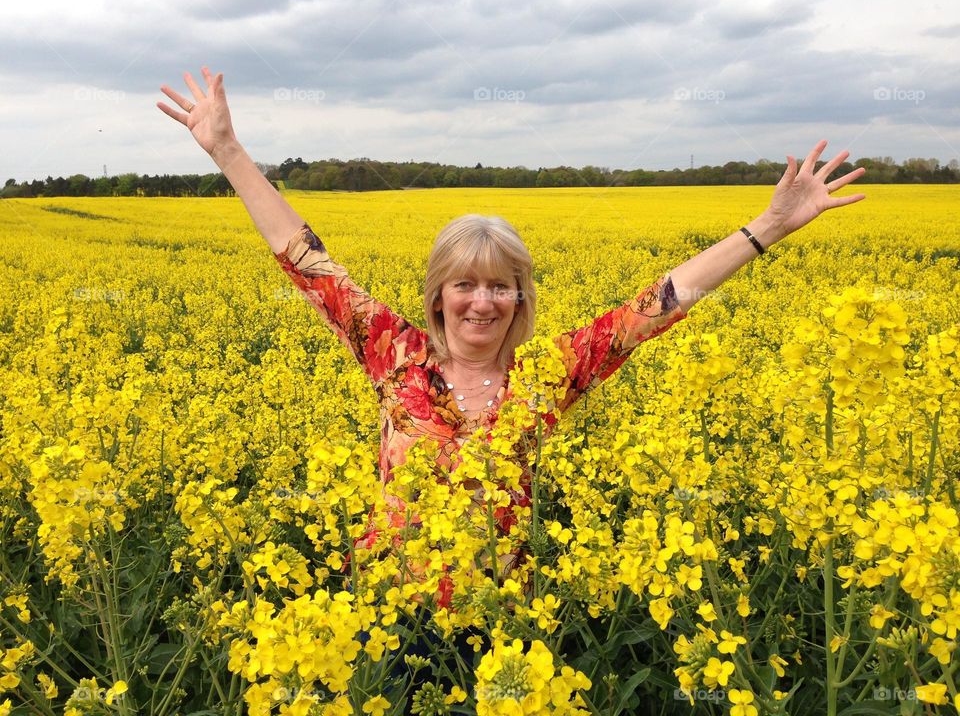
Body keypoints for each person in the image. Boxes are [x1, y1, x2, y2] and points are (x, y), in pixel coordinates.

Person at [157, 67, 866, 586]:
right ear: (438, 297)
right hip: (381, 619)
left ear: (520, 299)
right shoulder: (393, 354)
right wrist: (226, 151)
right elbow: (306, 262)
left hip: (500, 626)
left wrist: (769, 227)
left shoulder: (548, 373)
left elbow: (662, 303)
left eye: (501, 286)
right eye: (464, 283)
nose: (482, 301)